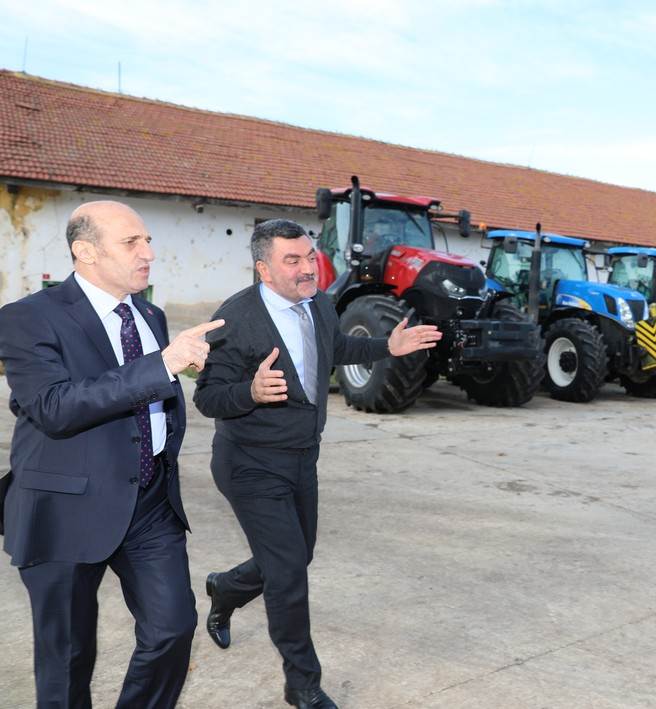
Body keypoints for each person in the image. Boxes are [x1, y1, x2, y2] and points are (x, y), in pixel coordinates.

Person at [194, 219, 440, 709]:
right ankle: (302, 684)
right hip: (250, 464)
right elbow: (207, 397)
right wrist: (250, 392)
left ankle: (226, 588)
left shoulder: (319, 304)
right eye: (293, 260)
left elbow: (337, 347)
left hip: (302, 459)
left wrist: (386, 347)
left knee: (295, 556)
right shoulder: (234, 319)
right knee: (288, 574)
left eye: (309, 256)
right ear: (264, 269)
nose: (308, 268)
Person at [0, 201, 224, 708]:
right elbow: (53, 408)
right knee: (67, 657)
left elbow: (152, 398)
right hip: (64, 506)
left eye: (148, 241)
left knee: (172, 628)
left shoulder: (150, 314)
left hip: (148, 501)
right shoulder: (27, 317)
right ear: (85, 251)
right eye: (131, 242)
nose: (148, 253)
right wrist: (163, 364)